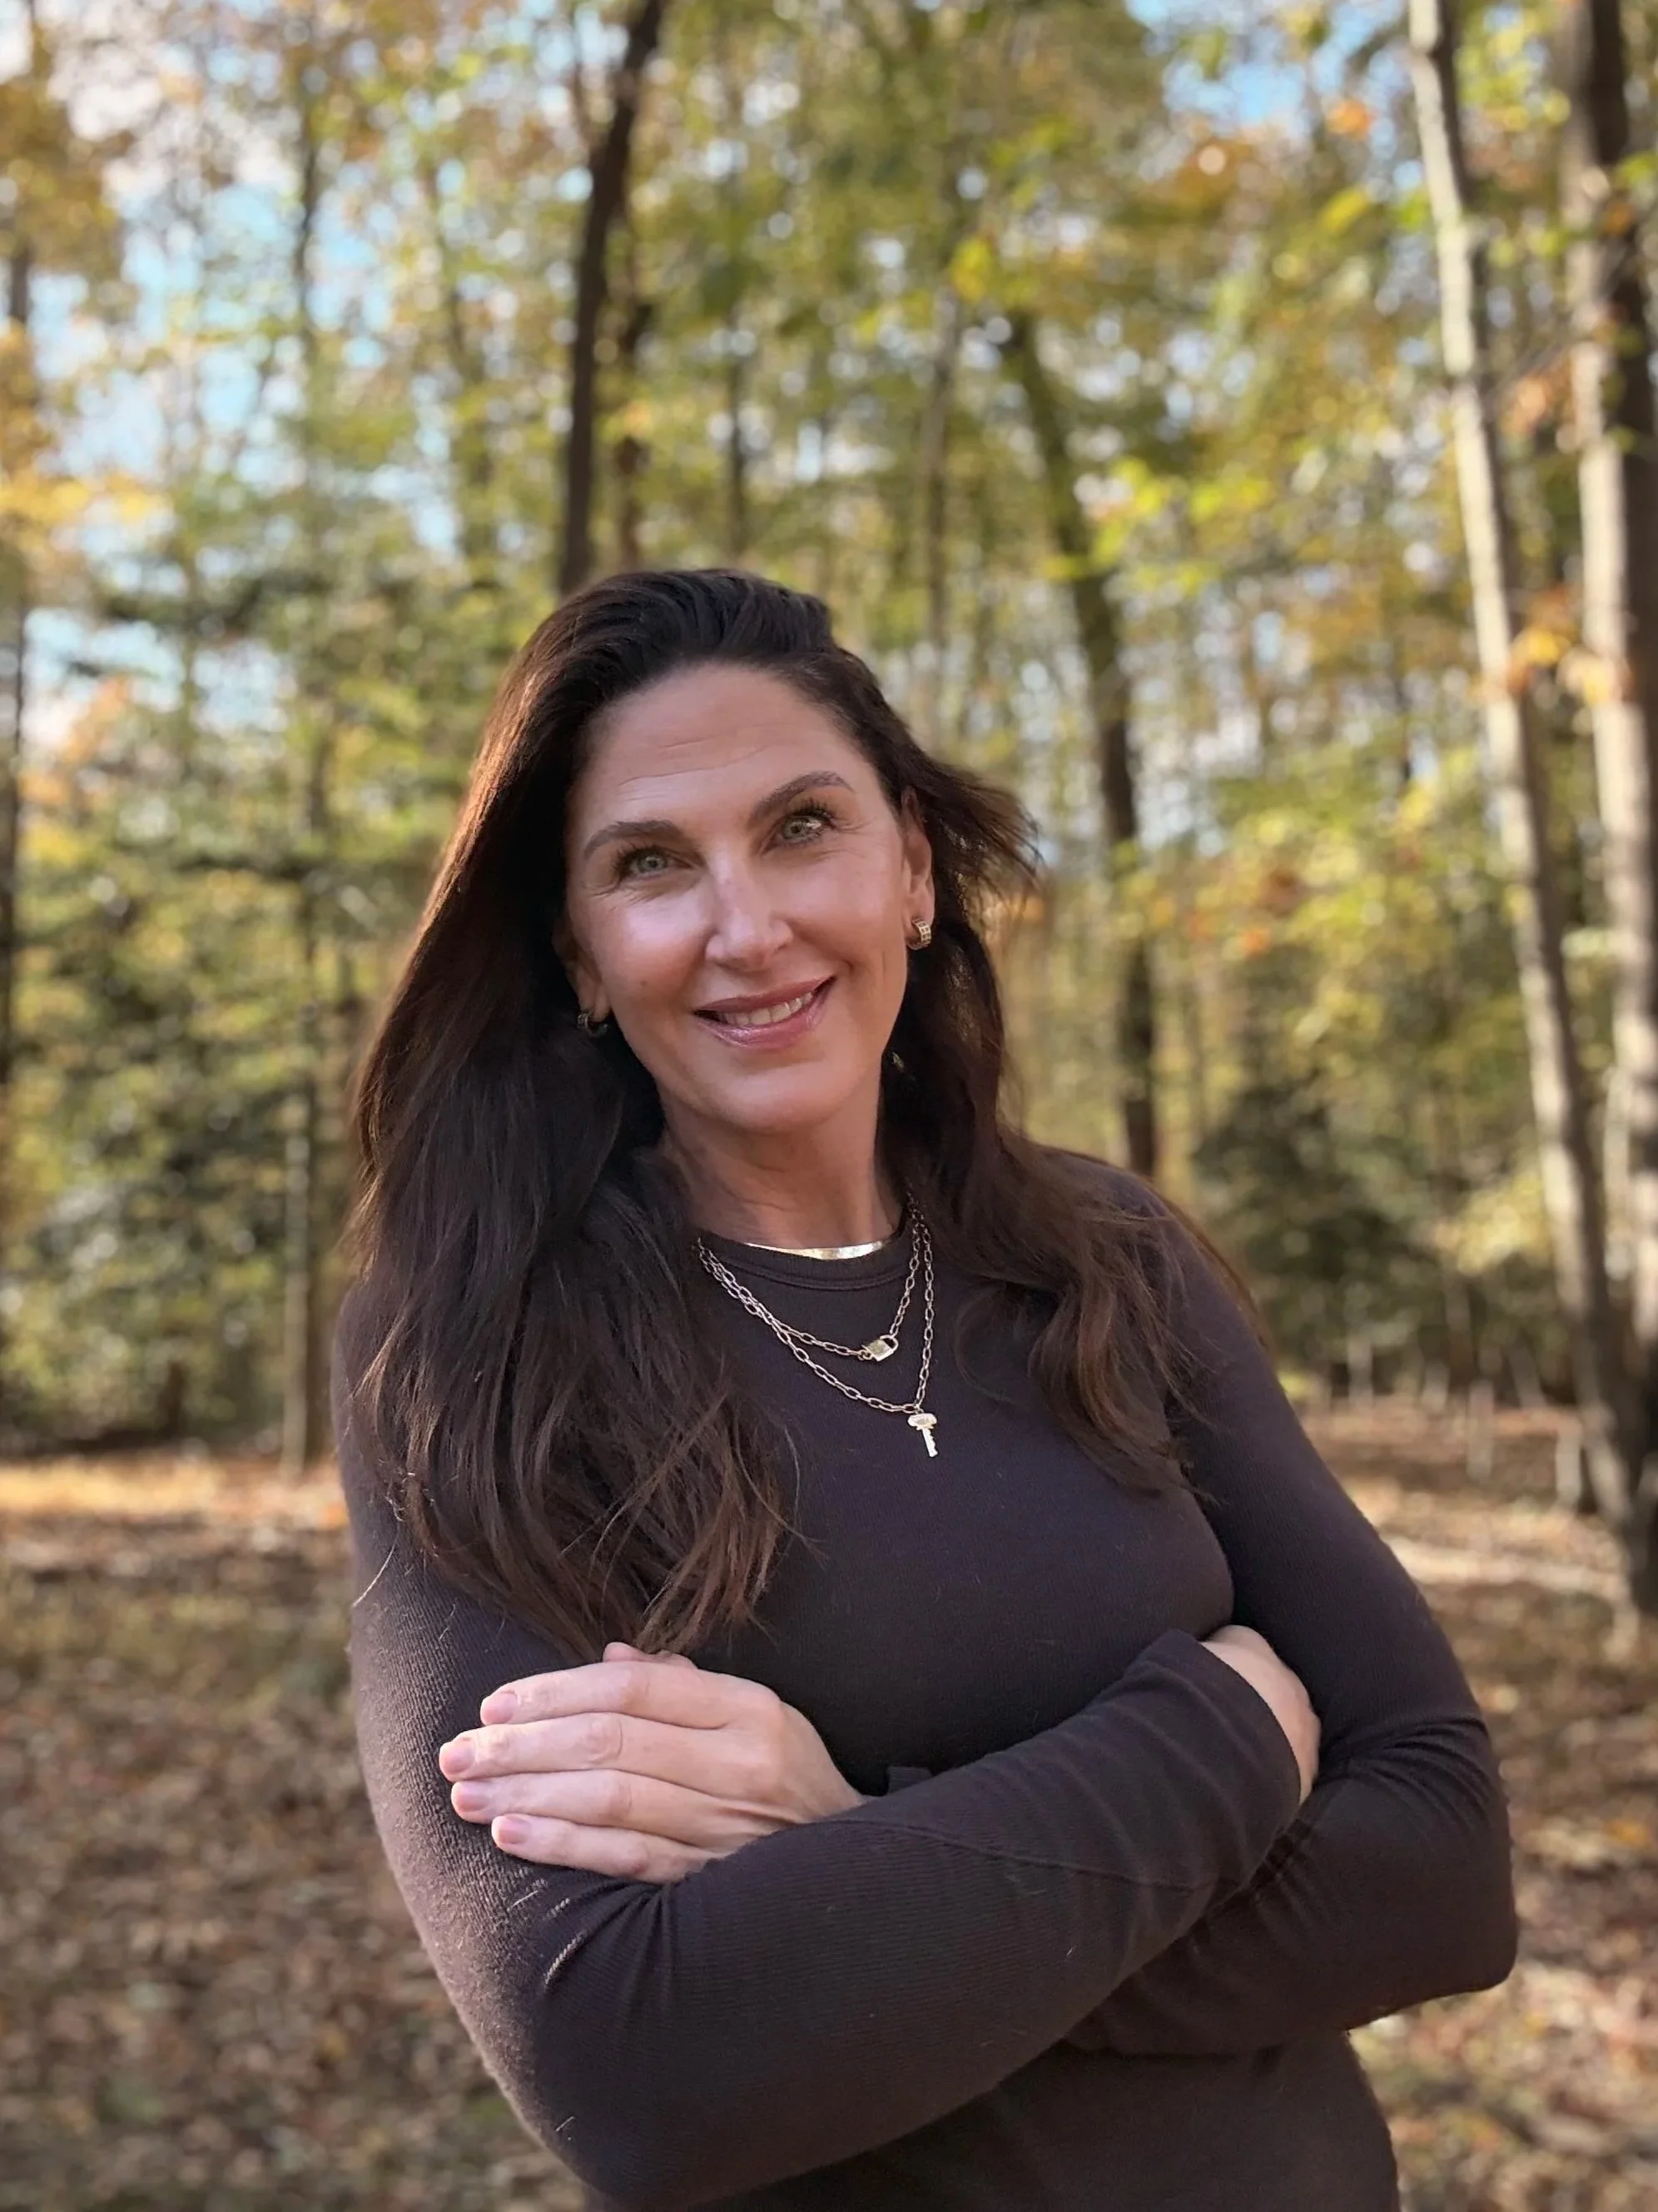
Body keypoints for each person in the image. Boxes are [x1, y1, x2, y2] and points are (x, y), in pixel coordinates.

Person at [333, 567, 1517, 2212]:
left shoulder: (1109, 1256)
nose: (747, 924)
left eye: (802, 825)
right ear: (584, 955)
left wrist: (845, 1841)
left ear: (908, 867)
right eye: (652, 863)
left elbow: (1445, 1865)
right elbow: (631, 2066)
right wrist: (1231, 1731)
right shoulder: (482, 1343)